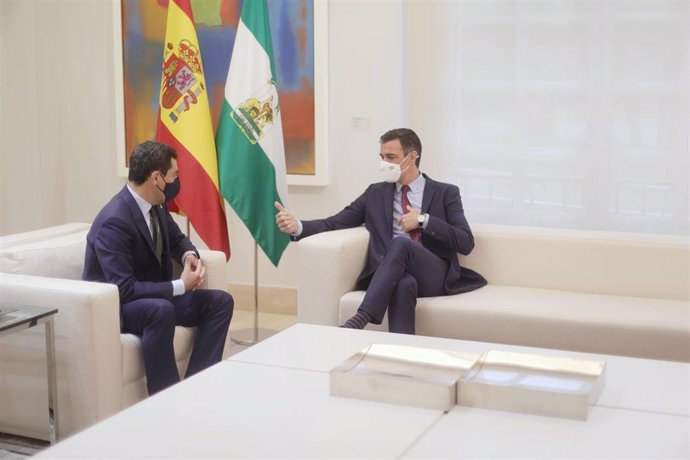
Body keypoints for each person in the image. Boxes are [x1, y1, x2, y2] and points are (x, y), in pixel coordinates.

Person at [275, 128, 486, 334]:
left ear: (412, 157)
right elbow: (335, 222)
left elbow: (465, 242)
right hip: (392, 272)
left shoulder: (445, 192)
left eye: (391, 157)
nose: (384, 163)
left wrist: (423, 220)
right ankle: (400, 353)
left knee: (402, 243)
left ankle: (361, 318)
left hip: (433, 272)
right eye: (382, 157)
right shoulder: (375, 193)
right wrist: (298, 226)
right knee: (403, 284)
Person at [83, 141, 233, 395]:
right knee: (160, 310)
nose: (177, 180)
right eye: (174, 174)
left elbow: (176, 239)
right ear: (156, 177)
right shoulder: (114, 220)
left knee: (220, 302)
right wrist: (181, 285)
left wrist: (188, 257)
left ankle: (197, 388)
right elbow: (124, 289)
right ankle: (166, 399)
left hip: (155, 296)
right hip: (120, 305)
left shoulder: (157, 204)